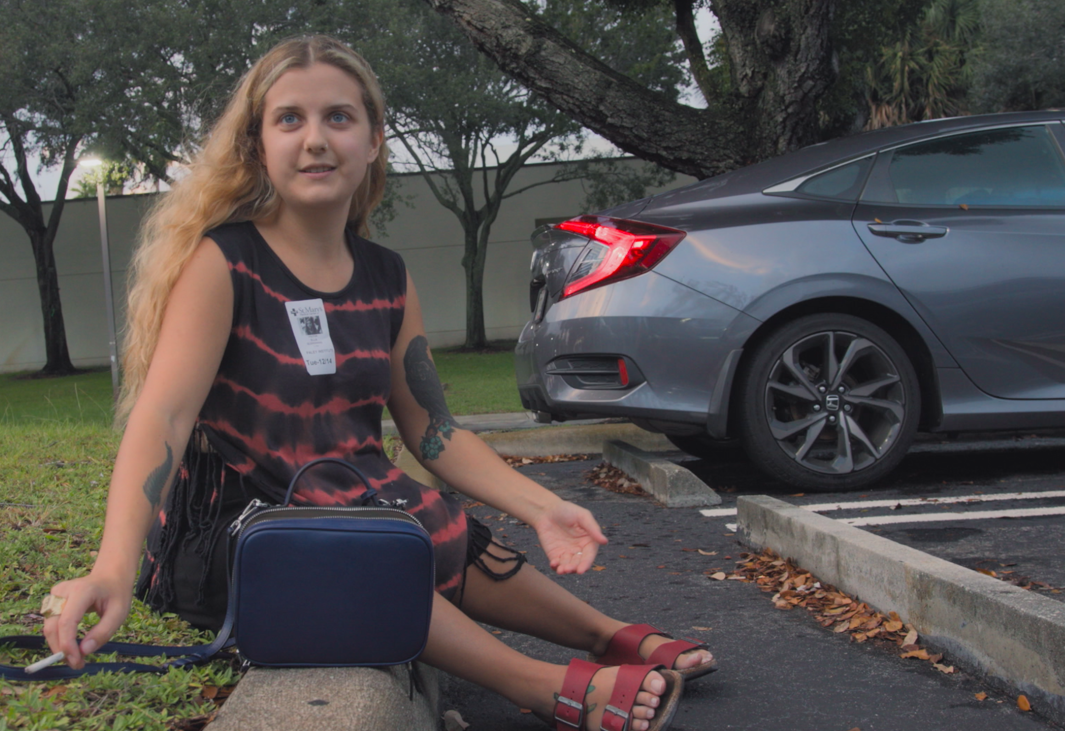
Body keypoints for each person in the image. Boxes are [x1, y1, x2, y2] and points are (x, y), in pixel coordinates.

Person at [42, 35, 715, 731]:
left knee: (445, 531)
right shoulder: (224, 263)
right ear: (257, 145)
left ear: (372, 142)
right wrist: (112, 567)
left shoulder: (386, 276)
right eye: (289, 120)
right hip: (242, 526)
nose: (315, 140)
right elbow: (165, 417)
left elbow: (432, 428)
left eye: (338, 117)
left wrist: (542, 505)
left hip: (351, 496)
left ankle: (604, 634)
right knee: (362, 551)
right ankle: (549, 687)